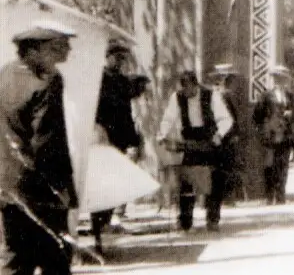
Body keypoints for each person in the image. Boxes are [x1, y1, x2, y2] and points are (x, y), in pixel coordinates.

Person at [0, 22, 78, 275]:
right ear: (33, 51)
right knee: (55, 259)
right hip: (41, 187)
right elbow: (46, 141)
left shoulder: (4, 74)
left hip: (8, 185)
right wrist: (62, 188)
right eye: (56, 48)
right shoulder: (47, 82)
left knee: (16, 259)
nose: (64, 53)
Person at [90, 39, 150, 253]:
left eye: (122, 58)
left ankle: (105, 222)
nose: (120, 61)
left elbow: (133, 88)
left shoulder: (119, 80)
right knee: (101, 186)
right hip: (104, 138)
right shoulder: (100, 79)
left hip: (120, 140)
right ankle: (99, 229)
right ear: (107, 57)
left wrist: (140, 82)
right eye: (117, 57)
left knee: (112, 185)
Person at [157, 71, 234, 231]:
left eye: (189, 88)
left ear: (196, 85)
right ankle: (185, 221)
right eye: (183, 89)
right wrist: (162, 134)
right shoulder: (177, 97)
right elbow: (168, 118)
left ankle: (213, 220)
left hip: (209, 140)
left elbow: (226, 119)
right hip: (189, 142)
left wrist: (219, 134)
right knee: (186, 181)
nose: (186, 92)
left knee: (214, 180)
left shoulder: (211, 95)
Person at [252, 65, 294, 205]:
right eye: (277, 78)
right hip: (270, 135)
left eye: (282, 78)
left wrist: (292, 113)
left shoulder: (290, 96)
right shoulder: (266, 95)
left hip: (285, 134)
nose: (279, 80)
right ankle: (269, 195)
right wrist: (263, 129)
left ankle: (281, 196)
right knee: (269, 165)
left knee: (283, 165)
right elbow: (257, 115)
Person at [208, 64, 243, 208]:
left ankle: (220, 198)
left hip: (217, 134)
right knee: (226, 166)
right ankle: (226, 198)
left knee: (219, 166)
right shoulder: (224, 95)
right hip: (224, 135)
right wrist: (234, 133)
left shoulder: (214, 94)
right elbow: (232, 117)